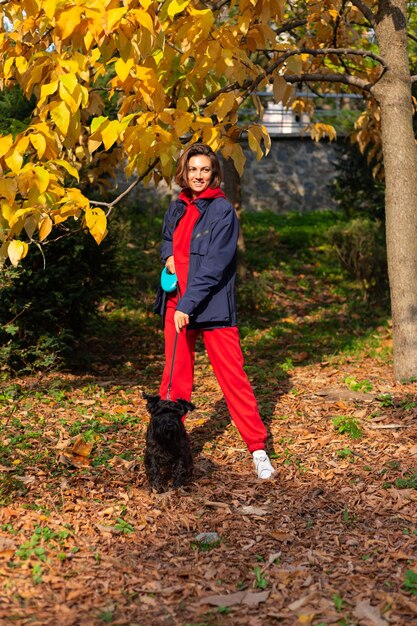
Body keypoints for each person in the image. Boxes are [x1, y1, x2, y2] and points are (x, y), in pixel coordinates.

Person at [154, 143, 275, 480]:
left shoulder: (222, 211)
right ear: (184, 172)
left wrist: (188, 305)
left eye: (205, 170)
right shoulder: (177, 206)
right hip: (176, 302)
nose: (198, 175)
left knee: (233, 379)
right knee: (174, 380)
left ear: (214, 173)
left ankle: (258, 449)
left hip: (212, 307)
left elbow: (216, 266)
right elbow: (168, 238)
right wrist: (167, 255)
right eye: (193, 169)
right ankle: (168, 447)